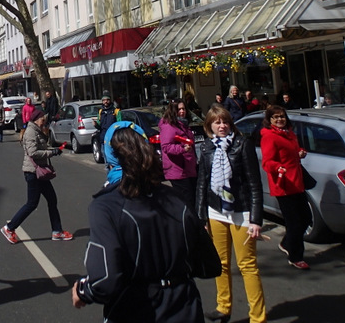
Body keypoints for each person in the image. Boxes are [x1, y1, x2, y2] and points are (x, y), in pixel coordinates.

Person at [72, 127, 214, 322]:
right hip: (184, 306)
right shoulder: (175, 199)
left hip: (136, 307)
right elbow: (209, 264)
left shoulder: (106, 206)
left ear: (110, 155)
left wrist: (83, 290)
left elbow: (105, 280)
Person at [196, 105, 266, 323]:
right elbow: (202, 183)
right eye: (217, 122)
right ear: (209, 126)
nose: (222, 126)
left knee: (247, 265)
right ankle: (223, 307)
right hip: (216, 211)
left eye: (225, 121)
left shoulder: (242, 145)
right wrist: (201, 217)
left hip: (241, 211)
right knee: (221, 263)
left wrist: (255, 220)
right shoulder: (207, 147)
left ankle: (257, 317)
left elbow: (254, 183)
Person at [0, 106, 72, 245]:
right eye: (42, 119)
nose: (44, 121)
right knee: (32, 203)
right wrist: (52, 153)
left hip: (39, 171)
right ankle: (9, 228)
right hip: (33, 172)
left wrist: (54, 150)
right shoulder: (31, 132)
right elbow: (33, 153)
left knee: (52, 199)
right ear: (36, 119)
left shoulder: (37, 130)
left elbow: (41, 149)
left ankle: (57, 231)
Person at [260, 105, 311, 270]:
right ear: (270, 120)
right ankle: (296, 257)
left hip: (296, 182)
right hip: (283, 185)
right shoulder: (269, 136)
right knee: (295, 223)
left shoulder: (289, 134)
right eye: (275, 117)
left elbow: (294, 151)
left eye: (282, 116)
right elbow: (267, 162)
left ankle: (286, 243)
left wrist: (300, 152)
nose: (280, 119)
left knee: (306, 219)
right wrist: (278, 167)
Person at [159, 100, 198, 209]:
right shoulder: (169, 126)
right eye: (179, 109)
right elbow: (166, 147)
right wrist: (182, 149)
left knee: (192, 198)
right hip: (178, 170)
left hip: (188, 167)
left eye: (183, 109)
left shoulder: (183, 124)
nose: (182, 111)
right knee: (187, 201)